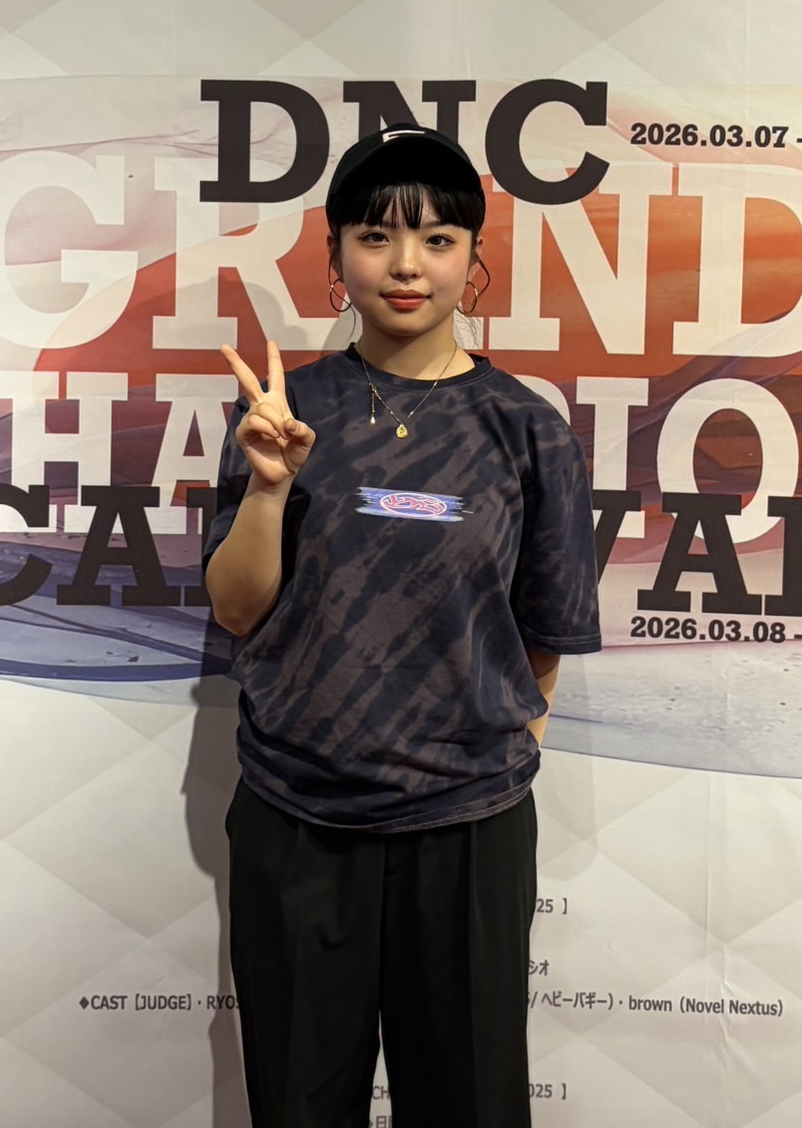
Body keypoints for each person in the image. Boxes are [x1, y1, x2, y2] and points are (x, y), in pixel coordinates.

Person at [203, 125, 601, 1128]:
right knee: (298, 1105)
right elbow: (237, 610)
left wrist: (491, 752)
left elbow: (543, 632)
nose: (407, 264)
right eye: (377, 236)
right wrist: (269, 486)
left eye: (437, 239)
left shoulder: (526, 427)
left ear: (474, 258)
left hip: (467, 830)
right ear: (335, 254)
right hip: (298, 815)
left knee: (469, 1105)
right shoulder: (286, 412)